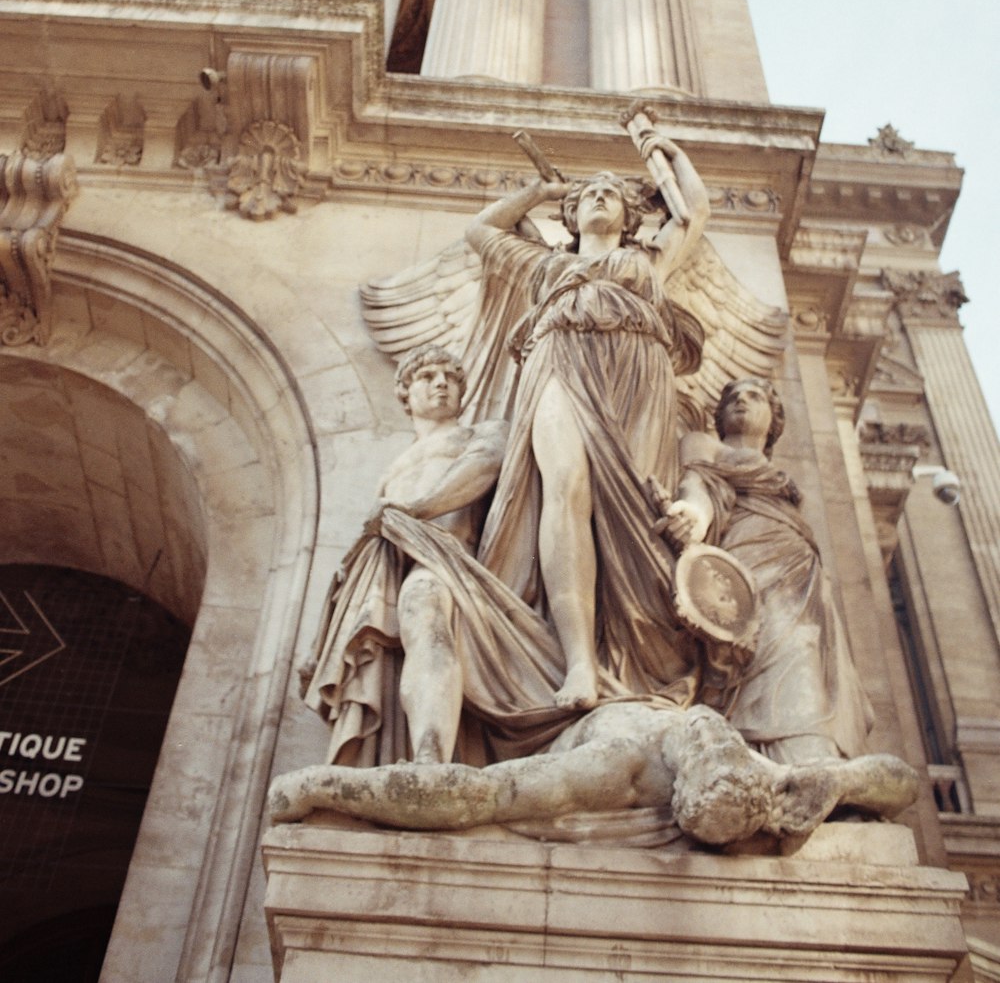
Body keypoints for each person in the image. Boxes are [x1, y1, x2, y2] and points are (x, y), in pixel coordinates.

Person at [469, 129, 710, 711]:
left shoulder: (649, 257)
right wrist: (536, 191)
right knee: (564, 486)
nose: (600, 196)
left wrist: (665, 150)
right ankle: (577, 663)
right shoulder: (543, 264)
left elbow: (694, 211)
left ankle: (625, 655)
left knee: (630, 501)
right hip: (557, 357)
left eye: (611, 192)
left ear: (630, 216)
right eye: (587, 195)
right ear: (572, 217)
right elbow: (480, 232)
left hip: (638, 368)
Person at [268, 698, 917, 845]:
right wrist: (844, 779)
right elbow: (900, 780)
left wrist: (330, 785)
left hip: (543, 717)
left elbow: (476, 795)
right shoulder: (763, 775)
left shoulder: (621, 769)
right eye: (720, 740)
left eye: (709, 747)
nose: (714, 733)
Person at [301, 344, 507, 764]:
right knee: (378, 659)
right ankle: (402, 760)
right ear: (404, 394)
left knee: (425, 609)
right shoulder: (392, 467)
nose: (441, 384)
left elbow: (483, 467)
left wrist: (417, 510)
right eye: (428, 377)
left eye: (450, 378)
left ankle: (431, 761)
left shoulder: (480, 434)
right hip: (385, 567)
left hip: (444, 556)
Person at [661, 377, 873, 763]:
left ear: (773, 419)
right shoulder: (702, 444)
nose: (741, 402)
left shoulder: (774, 471)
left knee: (805, 646)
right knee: (762, 646)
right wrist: (693, 515)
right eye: (733, 399)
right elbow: (697, 486)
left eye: (754, 397)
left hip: (798, 568)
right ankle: (769, 752)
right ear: (719, 416)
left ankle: (810, 748)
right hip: (744, 561)